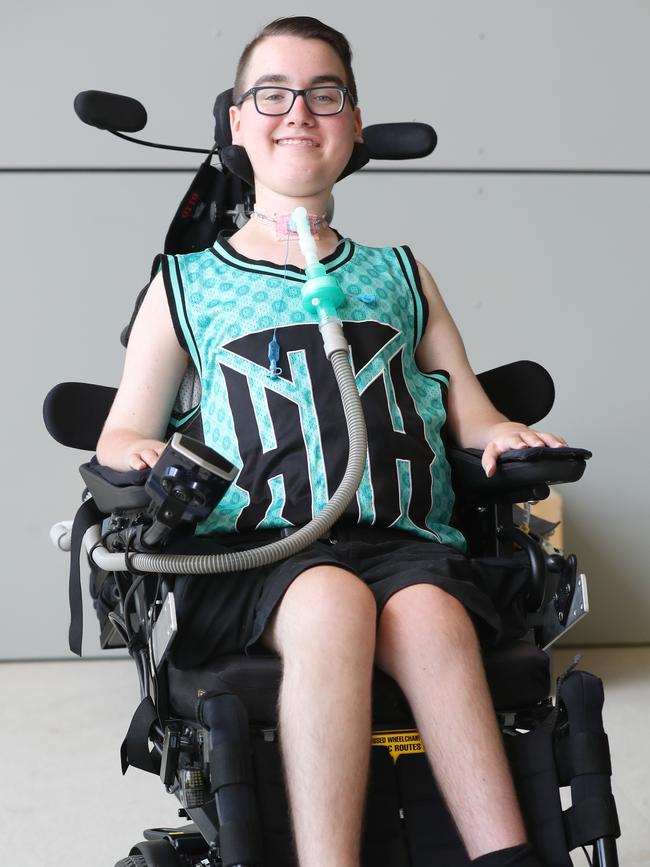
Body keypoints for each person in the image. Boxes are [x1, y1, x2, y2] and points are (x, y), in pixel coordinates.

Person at [97, 16, 566, 867]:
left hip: (401, 543)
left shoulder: (399, 272)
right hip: (256, 553)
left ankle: (509, 856)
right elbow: (125, 425)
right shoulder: (185, 283)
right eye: (270, 93)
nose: (298, 112)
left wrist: (502, 431)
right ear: (237, 122)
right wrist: (137, 452)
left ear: (353, 126)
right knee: (331, 601)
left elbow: (469, 407)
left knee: (430, 614)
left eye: (325, 94)